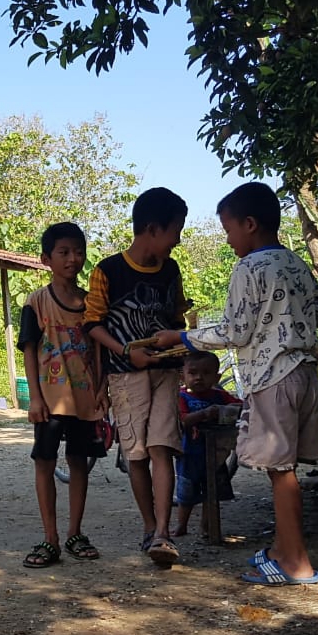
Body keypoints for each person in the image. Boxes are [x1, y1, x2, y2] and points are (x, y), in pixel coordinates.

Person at [156, 181, 318, 586]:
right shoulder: (295, 263)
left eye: (228, 230)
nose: (229, 239)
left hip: (273, 377)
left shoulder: (249, 268)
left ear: (249, 224)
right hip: (305, 375)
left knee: (280, 470)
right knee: (285, 469)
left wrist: (182, 338)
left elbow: (236, 331)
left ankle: (296, 562)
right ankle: (281, 549)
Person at [83, 187, 189, 567]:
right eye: (176, 229)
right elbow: (92, 324)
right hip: (125, 377)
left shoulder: (171, 270)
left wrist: (181, 348)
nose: (178, 238)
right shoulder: (107, 270)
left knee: (162, 447)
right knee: (138, 454)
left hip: (165, 373)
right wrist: (127, 351)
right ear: (152, 228)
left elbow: (176, 318)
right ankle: (149, 528)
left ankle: (162, 533)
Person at [17, 222, 107, 568]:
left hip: (85, 400)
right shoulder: (37, 302)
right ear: (46, 259)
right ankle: (50, 538)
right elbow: (29, 349)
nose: (73, 259)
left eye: (79, 251)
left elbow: (98, 350)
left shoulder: (91, 304)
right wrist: (35, 399)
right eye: (64, 252)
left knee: (79, 463)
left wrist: (102, 390)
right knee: (44, 461)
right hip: (51, 399)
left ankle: (74, 533)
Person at [173, 350, 242, 538]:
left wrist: (231, 408)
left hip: (216, 455)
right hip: (189, 454)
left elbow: (240, 405)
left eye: (206, 373)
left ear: (216, 376)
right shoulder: (181, 397)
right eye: (193, 373)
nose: (199, 378)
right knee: (186, 494)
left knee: (211, 494)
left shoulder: (220, 396)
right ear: (183, 375)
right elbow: (183, 420)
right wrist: (203, 414)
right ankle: (182, 524)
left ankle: (207, 526)